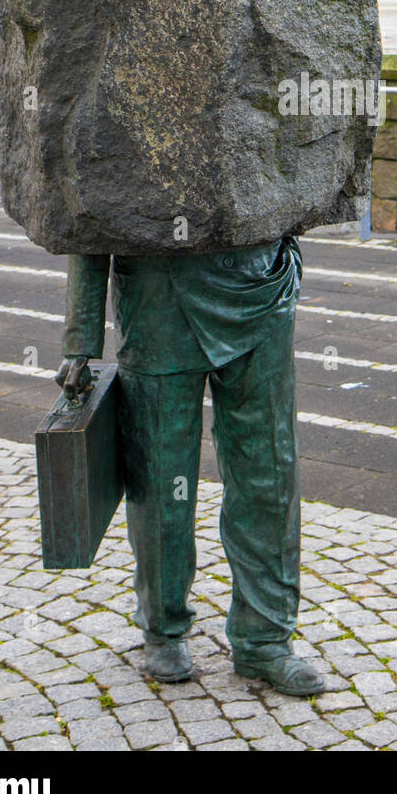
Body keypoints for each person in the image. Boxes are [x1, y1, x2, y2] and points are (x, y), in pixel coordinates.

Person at [55, 235, 325, 698]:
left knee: (269, 472)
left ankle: (265, 637)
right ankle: (162, 627)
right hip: (158, 302)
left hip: (258, 287)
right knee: (162, 477)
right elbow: (90, 206)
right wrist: (81, 339)